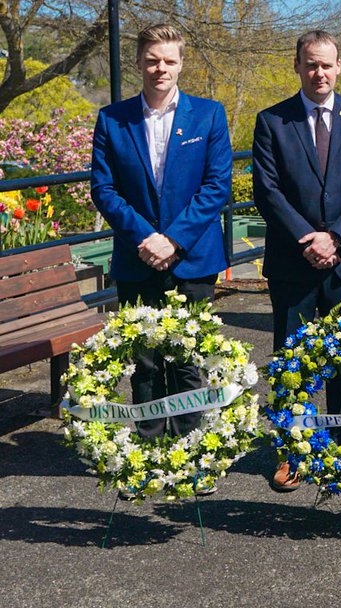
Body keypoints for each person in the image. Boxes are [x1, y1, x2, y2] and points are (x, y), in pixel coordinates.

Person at [90, 24, 232, 459]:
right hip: (137, 258)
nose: (160, 68)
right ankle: (149, 452)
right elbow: (103, 188)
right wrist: (145, 237)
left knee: (189, 359)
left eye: (169, 60)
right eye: (152, 59)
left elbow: (217, 185)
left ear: (181, 63)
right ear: (138, 63)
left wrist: (172, 239)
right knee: (145, 360)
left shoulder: (208, 115)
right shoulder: (112, 119)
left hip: (192, 258)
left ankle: (192, 450)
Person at [252, 29, 341, 492]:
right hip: (293, 260)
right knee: (292, 356)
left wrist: (337, 239)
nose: (319, 72)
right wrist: (309, 238)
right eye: (311, 63)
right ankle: (293, 448)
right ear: (297, 66)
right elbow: (266, 190)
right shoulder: (272, 121)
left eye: (327, 64)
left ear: (339, 66)